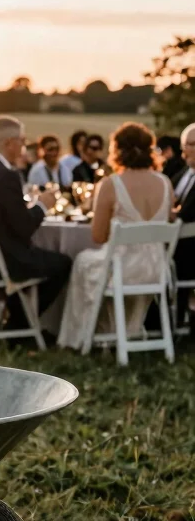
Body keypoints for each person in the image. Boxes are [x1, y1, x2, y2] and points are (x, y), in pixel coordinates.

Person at [58, 123, 174, 350]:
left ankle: (82, 337)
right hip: (156, 269)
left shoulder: (111, 184)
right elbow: (167, 223)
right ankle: (119, 331)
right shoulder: (165, 183)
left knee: (82, 261)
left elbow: (99, 236)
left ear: (117, 150)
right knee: (91, 261)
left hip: (124, 271)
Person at [0, 116, 71, 332]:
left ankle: (17, 320)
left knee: (46, 258)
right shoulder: (6, 175)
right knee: (63, 263)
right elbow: (24, 229)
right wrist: (42, 206)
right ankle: (22, 324)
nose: (25, 144)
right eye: (22, 139)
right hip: (3, 262)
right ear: (9, 143)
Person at [172, 122, 195, 327]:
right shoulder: (182, 174)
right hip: (173, 238)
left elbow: (188, 213)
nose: (188, 150)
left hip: (189, 247)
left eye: (193, 145)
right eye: (187, 144)